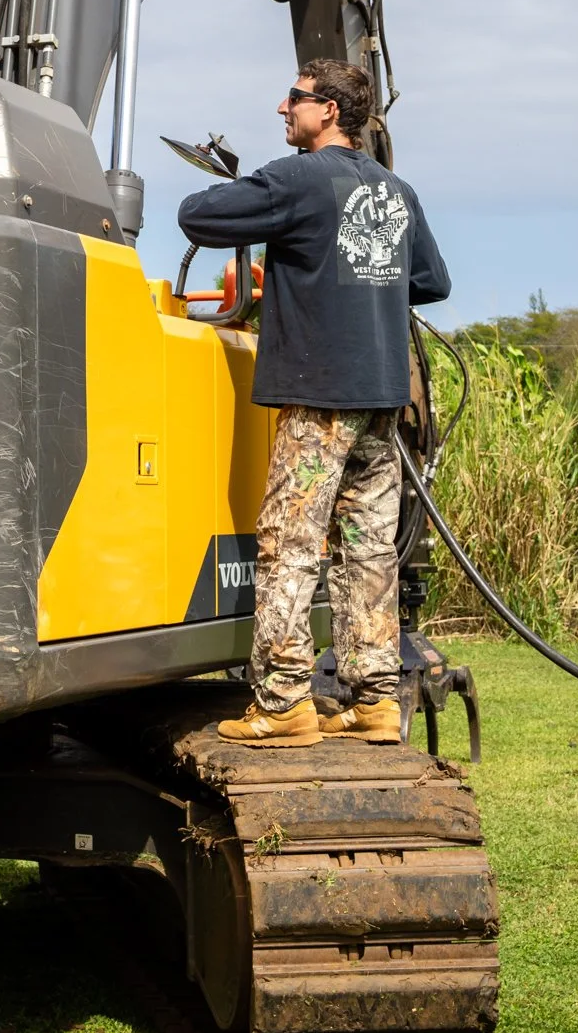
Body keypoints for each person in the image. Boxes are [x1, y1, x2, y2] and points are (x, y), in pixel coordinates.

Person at [177, 59, 450, 747]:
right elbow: (431, 279)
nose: (282, 108)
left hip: (320, 399)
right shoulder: (395, 190)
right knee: (368, 551)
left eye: (293, 99)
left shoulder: (297, 178)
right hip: (381, 402)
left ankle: (282, 703)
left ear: (327, 110)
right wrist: (359, 284)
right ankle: (376, 701)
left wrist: (256, 195)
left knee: (289, 545)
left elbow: (197, 214)